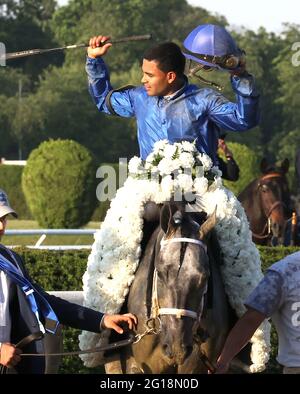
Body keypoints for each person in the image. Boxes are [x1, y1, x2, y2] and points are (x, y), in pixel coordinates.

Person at [0, 189, 137, 373]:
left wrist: (102, 320)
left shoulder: (11, 259)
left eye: (4, 219)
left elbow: (44, 303)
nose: (2, 226)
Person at [85, 25, 259, 166]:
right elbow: (103, 101)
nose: (142, 79)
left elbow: (244, 120)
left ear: (170, 76)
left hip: (199, 191)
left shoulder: (205, 100)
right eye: (143, 73)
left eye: (149, 75)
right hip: (148, 188)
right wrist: (94, 60)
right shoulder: (138, 97)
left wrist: (240, 76)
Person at [214, 251, 300, 374]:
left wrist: (223, 362)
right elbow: (251, 320)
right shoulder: (283, 272)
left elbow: (251, 320)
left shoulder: (284, 271)